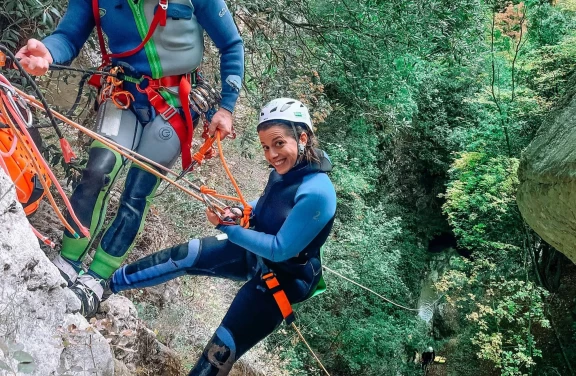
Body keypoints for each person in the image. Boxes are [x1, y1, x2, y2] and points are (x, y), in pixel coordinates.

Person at [15, 0, 244, 317]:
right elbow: (68, 35)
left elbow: (231, 44)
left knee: (137, 193)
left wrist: (227, 107)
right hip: (124, 91)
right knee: (97, 173)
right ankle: (67, 261)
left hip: (177, 101)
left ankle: (97, 279)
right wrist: (48, 53)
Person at [108, 98, 337, 375]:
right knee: (185, 255)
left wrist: (228, 228)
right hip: (255, 249)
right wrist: (241, 210)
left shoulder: (317, 193)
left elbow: (279, 249)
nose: (271, 154)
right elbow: (268, 204)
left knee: (219, 350)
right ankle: (107, 286)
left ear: (302, 137)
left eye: (278, 144)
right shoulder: (288, 169)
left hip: (285, 279)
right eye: (265, 147)